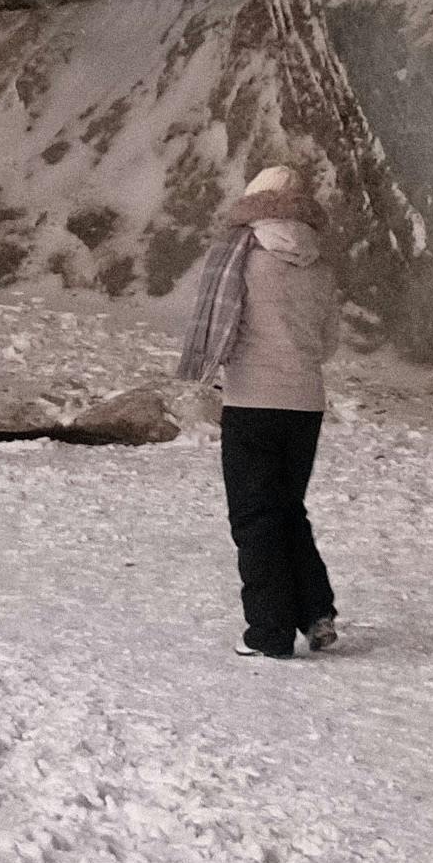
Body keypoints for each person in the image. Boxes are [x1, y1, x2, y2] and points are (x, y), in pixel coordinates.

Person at [174, 155, 343, 658]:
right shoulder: (321, 267)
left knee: (255, 517)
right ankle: (315, 612)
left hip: (253, 401)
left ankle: (268, 632)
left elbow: (224, 329)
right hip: (306, 404)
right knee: (288, 509)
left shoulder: (240, 257)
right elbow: (329, 343)